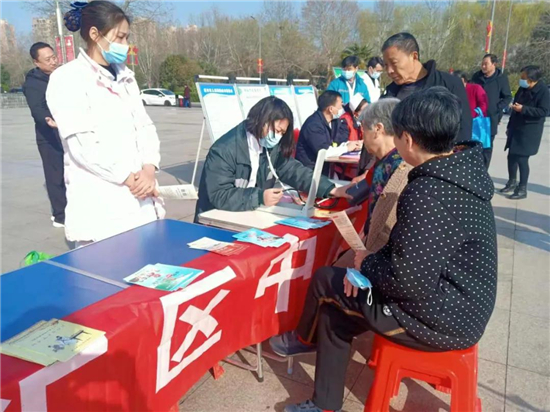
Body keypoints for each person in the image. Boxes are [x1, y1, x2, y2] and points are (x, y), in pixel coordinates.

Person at [271, 87, 497, 412]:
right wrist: (369, 268)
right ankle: (324, 401)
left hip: (434, 321)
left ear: (408, 139)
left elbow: (407, 282)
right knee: (336, 310)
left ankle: (304, 344)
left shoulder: (427, 191)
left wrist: (366, 266)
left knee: (326, 281)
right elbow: (416, 252)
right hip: (462, 309)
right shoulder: (462, 173)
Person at [46, 1, 164, 247]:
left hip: (140, 198)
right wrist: (129, 178)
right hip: (102, 205)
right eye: (119, 37)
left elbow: (145, 127)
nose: (125, 44)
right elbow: (83, 146)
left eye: (127, 37)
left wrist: (149, 169)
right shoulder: (67, 79)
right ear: (94, 34)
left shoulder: (126, 77)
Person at [194, 96, 352, 220]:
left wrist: (330, 188)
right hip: (215, 219)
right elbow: (219, 194)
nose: (278, 137)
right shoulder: (224, 150)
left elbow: (292, 170)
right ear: (262, 120)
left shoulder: (269, 146)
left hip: (248, 215)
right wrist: (259, 197)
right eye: (277, 130)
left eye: (282, 133)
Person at [358, 32, 473, 176]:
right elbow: (375, 132)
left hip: (436, 172)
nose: (390, 71)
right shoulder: (390, 93)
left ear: (414, 56)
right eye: (386, 65)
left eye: (394, 63)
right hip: (393, 173)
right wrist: (368, 172)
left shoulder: (448, 84)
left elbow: (462, 131)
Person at [334, 98, 412, 268]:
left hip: (381, 256)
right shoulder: (387, 161)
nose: (362, 137)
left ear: (378, 129)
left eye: (363, 129)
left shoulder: (397, 167)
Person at [22, 42, 67, 228]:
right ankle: (60, 216)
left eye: (54, 57)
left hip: (67, 131)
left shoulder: (61, 75)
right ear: (36, 62)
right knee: (55, 176)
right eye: (48, 60)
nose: (53, 61)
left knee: (73, 172)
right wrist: (50, 121)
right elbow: (37, 109)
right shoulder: (33, 83)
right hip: (49, 136)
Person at [501, 65, 550, 200]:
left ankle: (522, 188)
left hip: (529, 131)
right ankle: (511, 182)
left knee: (522, 159)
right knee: (511, 156)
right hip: (516, 127)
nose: (521, 80)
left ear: (532, 79)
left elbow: (544, 111)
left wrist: (524, 109)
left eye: (523, 77)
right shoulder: (523, 88)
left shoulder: (543, 91)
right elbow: (515, 106)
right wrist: (509, 126)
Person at [295, 91, 361, 174]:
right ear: (331, 109)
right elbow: (324, 152)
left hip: (324, 170)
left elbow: (335, 143)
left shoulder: (333, 122)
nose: (343, 108)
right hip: (309, 172)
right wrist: (347, 148)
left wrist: (351, 144)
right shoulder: (313, 125)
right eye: (340, 105)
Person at [471, 54, 512, 168]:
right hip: (475, 117)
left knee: (486, 148)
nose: (483, 66)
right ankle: (474, 170)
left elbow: (507, 97)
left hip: (490, 118)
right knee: (473, 145)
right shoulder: (476, 77)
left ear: (494, 64)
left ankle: (483, 172)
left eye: (486, 64)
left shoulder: (501, 78)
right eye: (482, 64)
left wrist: (496, 108)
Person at [335, 93, 369, 180]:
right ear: (355, 113)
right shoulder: (344, 121)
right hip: (344, 166)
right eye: (364, 110)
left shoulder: (362, 122)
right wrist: (354, 145)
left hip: (356, 162)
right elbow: (340, 142)